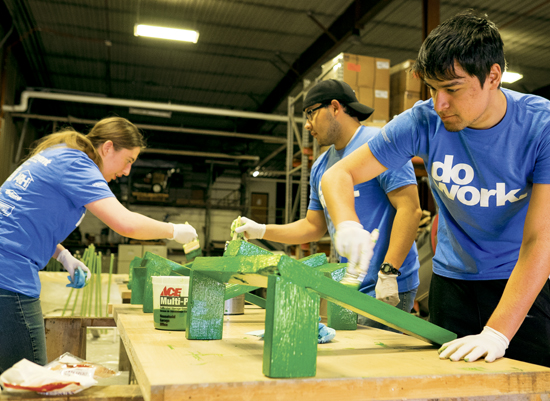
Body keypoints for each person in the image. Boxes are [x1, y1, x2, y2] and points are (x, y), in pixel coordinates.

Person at [320, 11, 550, 375]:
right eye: (432, 88)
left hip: (522, 281)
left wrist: (496, 333)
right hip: (452, 284)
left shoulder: (548, 126)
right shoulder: (424, 120)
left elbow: (540, 240)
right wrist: (347, 224)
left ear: (493, 76)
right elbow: (338, 174)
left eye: (452, 88)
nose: (439, 103)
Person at [0, 117, 198, 373]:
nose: (127, 171)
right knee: (27, 380)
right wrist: (173, 230)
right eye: (128, 160)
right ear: (107, 147)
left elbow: (26, 219)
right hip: (9, 276)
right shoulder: (78, 164)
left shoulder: (59, 154)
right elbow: (125, 223)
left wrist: (63, 256)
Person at [235, 79, 422, 324]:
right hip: (351, 283)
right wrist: (261, 230)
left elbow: (410, 210)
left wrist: (389, 272)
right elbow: (313, 226)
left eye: (311, 113)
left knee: (372, 358)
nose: (307, 125)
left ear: (335, 107)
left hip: (388, 284)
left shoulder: (380, 145)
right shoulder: (321, 166)